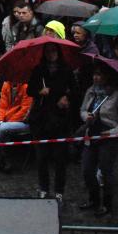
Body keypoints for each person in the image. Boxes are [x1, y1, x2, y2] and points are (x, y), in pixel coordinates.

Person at [79, 64, 118, 216]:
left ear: (107, 77)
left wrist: (113, 132)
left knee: (106, 171)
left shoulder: (117, 95)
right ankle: (93, 199)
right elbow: (82, 110)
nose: (96, 77)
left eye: (99, 74)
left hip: (108, 137)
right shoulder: (91, 91)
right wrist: (86, 117)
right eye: (94, 74)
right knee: (87, 170)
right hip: (92, 134)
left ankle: (107, 204)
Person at [27, 43, 78, 202]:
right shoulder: (38, 70)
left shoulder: (66, 69)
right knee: (41, 157)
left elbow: (76, 91)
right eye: (48, 51)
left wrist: (66, 99)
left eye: (54, 51)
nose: (51, 54)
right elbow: (30, 90)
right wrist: (39, 91)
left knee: (59, 158)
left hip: (59, 118)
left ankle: (59, 191)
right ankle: (43, 187)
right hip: (41, 119)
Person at [0, 79, 33, 172]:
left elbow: (24, 111)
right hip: (7, 119)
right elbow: (2, 106)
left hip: (23, 122)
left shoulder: (26, 87)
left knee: (4, 128)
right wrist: (0, 120)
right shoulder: (6, 85)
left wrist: (7, 122)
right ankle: (3, 156)